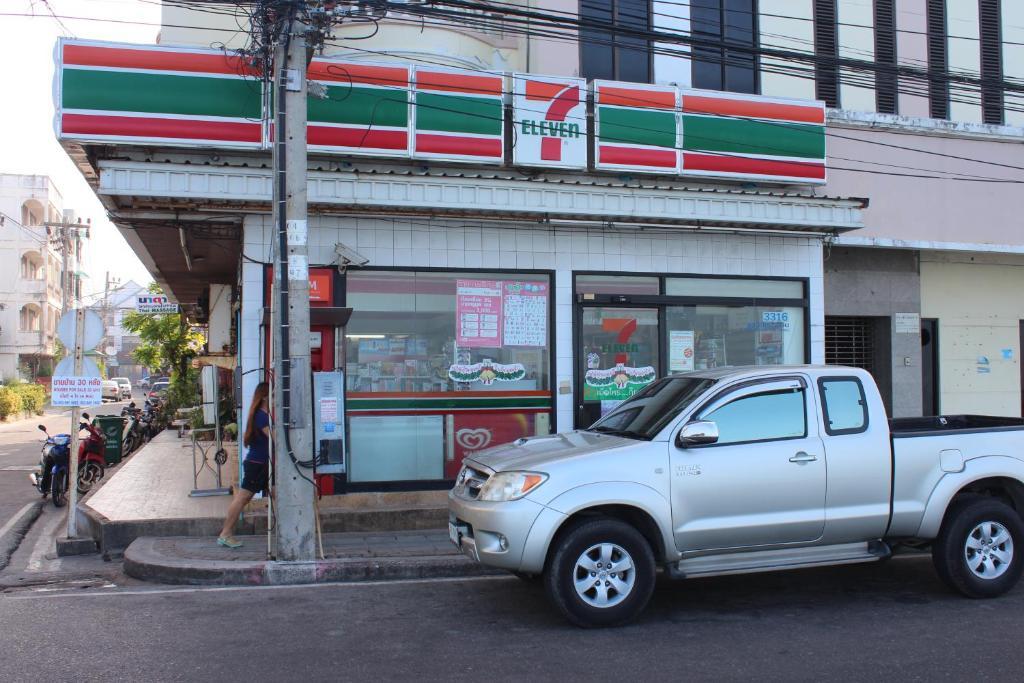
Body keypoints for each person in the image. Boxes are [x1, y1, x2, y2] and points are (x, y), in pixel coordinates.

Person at [218, 381, 271, 548]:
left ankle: (290, 531)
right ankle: (225, 533)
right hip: (257, 465)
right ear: (264, 396)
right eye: (274, 394)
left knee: (279, 495)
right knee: (243, 498)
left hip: (264, 464)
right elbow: (276, 440)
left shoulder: (263, 415)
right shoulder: (261, 416)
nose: (276, 397)